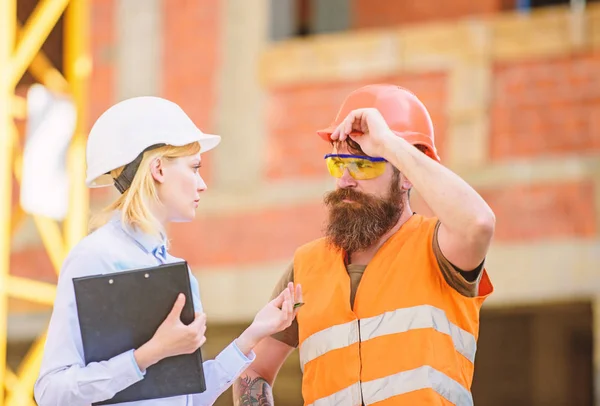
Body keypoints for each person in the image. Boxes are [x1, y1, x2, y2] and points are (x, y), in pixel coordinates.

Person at [232, 84, 495, 406]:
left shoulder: (440, 248)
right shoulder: (307, 265)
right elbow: (251, 372)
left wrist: (388, 143)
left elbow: (478, 223)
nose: (345, 179)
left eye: (363, 164)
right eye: (337, 163)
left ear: (408, 173)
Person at [34, 96, 302, 406]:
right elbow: (52, 393)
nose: (201, 185)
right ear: (158, 169)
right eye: (194, 168)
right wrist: (148, 355)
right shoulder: (96, 257)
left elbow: (187, 399)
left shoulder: (179, 271)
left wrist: (254, 334)